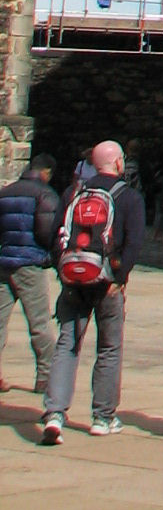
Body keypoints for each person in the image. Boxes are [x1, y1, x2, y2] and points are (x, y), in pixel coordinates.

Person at [40, 138, 146, 442]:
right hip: (107, 282)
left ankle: (55, 414)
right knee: (109, 348)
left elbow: (55, 235)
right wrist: (119, 276)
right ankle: (103, 417)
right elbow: (134, 242)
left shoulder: (73, 193)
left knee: (67, 344)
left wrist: (63, 270)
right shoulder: (129, 197)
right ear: (118, 163)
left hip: (74, 279)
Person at [0, 150, 59, 396]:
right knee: (39, 323)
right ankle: (45, 377)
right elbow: (49, 233)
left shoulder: (5, 193)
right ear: (46, 173)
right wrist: (50, 258)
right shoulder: (45, 195)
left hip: (3, 263)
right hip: (30, 264)